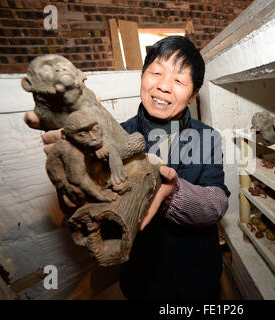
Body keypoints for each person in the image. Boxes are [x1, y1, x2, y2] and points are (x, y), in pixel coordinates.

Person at [24, 36, 230, 300]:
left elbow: (217, 204)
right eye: (156, 72)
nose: (164, 86)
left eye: (179, 80)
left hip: (198, 275)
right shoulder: (113, 135)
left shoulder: (208, 138)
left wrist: (171, 192)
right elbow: (90, 212)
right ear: (142, 76)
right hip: (143, 279)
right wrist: (78, 173)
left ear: (193, 95)